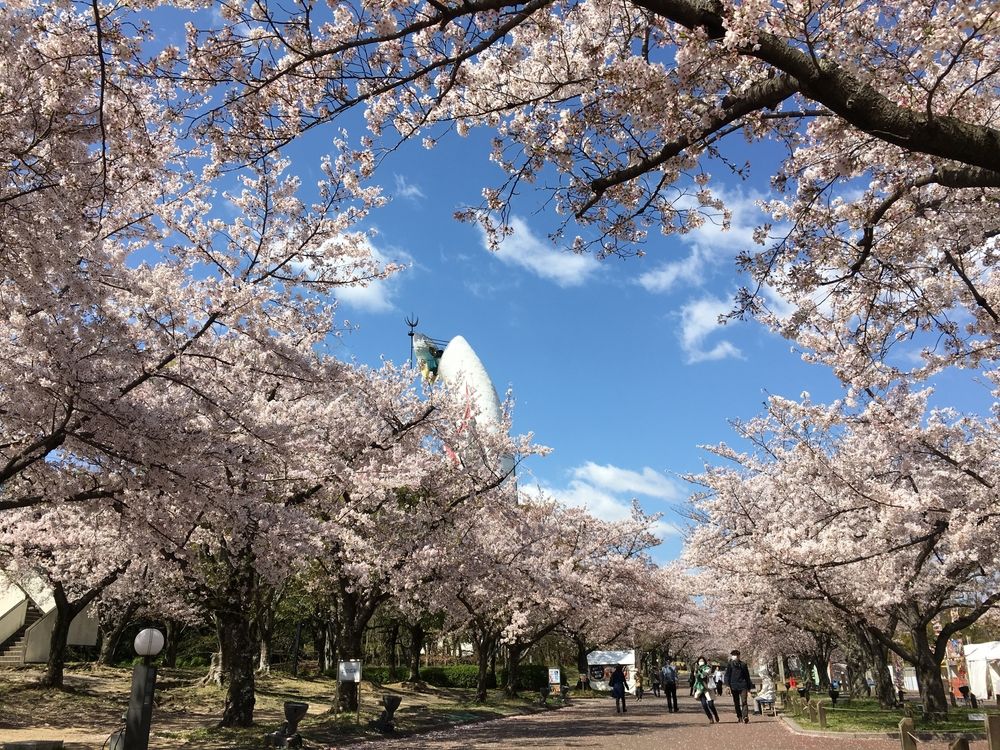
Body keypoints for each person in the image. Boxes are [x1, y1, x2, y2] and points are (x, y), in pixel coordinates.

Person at [723, 649, 754, 723]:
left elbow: (747, 676)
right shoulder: (730, 665)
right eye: (734, 655)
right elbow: (727, 675)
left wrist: (749, 688)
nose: (735, 657)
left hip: (743, 685)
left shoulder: (743, 665)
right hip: (733, 686)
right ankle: (739, 716)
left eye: (737, 655)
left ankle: (745, 716)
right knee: (736, 702)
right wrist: (727, 685)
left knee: (744, 701)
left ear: (739, 656)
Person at [693, 656, 720, 723]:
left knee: (710, 704)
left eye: (702, 661)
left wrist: (700, 670)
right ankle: (710, 718)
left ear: (704, 662)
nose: (700, 662)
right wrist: (696, 671)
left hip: (708, 688)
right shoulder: (697, 669)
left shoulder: (707, 668)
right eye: (699, 661)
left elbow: (705, 674)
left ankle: (715, 714)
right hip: (700, 688)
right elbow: (695, 676)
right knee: (704, 705)